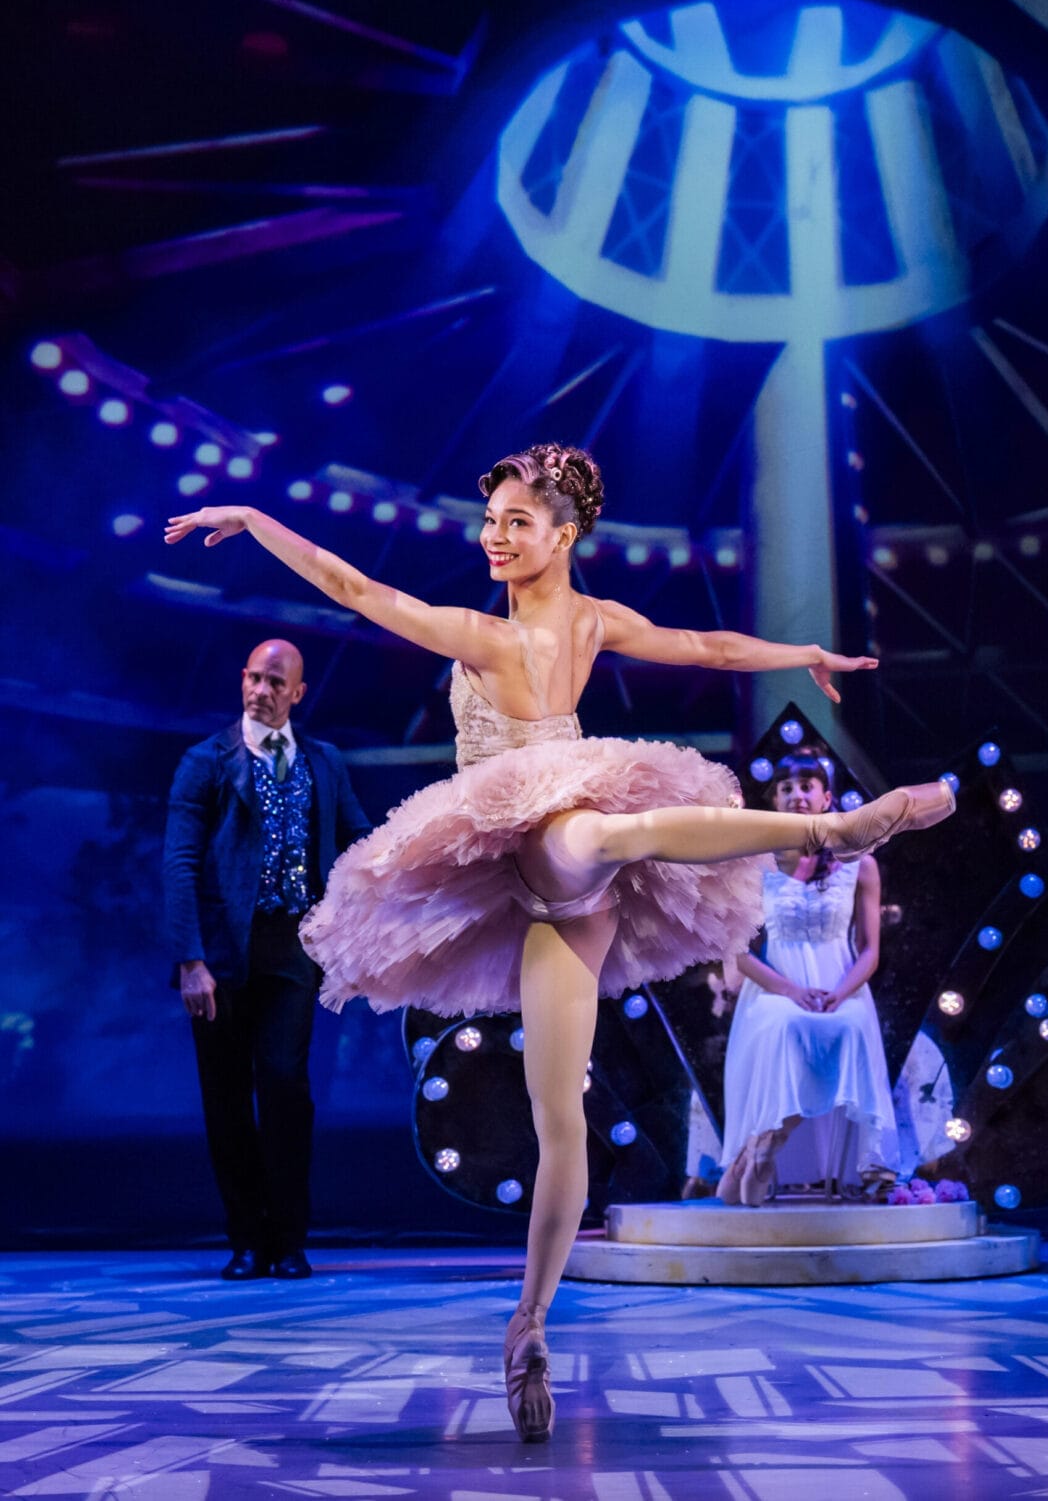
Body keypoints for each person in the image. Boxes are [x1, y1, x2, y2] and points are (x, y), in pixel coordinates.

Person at [164, 444, 955, 1441]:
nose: (493, 538)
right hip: (540, 879)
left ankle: (833, 833)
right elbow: (356, 587)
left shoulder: (526, 635)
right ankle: (529, 1324)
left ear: (564, 535)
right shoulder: (541, 627)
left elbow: (704, 646)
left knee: (594, 863)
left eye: (514, 523)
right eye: (488, 521)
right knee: (559, 1108)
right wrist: (797, 655)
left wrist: (797, 655)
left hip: (568, 854)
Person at [163, 638, 370, 1282]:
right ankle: (247, 1239)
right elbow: (179, 863)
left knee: (285, 1086)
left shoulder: (324, 762)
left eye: (275, 682)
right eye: (253, 678)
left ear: (297, 692)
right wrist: (190, 960)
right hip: (222, 951)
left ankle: (288, 1238)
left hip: (292, 946)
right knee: (226, 1098)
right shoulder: (206, 761)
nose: (260, 690)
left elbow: (361, 844)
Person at [716, 748, 899, 1207]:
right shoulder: (753, 866)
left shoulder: (861, 865)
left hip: (840, 987)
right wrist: (793, 991)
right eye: (786, 789)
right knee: (785, 1026)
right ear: (775, 801)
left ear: (826, 798)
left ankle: (782, 1150)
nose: (797, 796)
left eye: (806, 787)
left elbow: (871, 950)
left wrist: (839, 993)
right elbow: (736, 953)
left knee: (848, 1029)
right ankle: (760, 1146)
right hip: (778, 988)